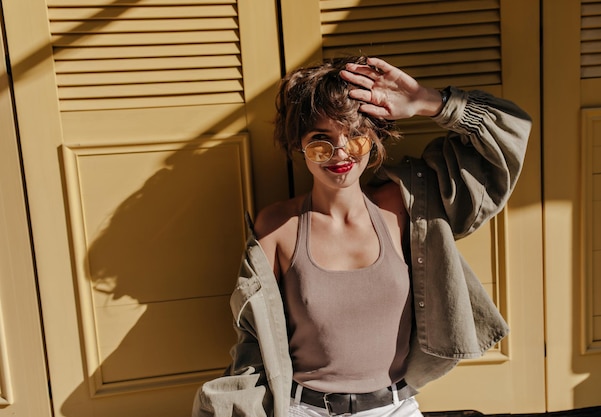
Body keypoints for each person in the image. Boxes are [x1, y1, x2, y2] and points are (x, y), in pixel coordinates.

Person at [191, 56, 532, 417]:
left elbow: (508, 130)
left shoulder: (408, 205)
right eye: (320, 142)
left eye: (354, 137)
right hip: (302, 410)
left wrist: (426, 101)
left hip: (394, 409)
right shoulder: (278, 226)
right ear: (299, 146)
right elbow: (254, 339)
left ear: (375, 137)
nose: (339, 154)